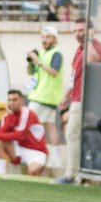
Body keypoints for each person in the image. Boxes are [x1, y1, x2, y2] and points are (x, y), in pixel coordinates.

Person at [56, 18, 101, 184]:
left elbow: (92, 61)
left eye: (81, 30)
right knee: (76, 134)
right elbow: (74, 77)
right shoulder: (79, 50)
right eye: (75, 31)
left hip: (87, 99)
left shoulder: (95, 47)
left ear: (90, 31)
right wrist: (66, 96)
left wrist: (89, 40)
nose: (78, 34)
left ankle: (72, 174)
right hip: (76, 97)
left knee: (72, 133)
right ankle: (80, 175)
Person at [26, 25, 64, 169]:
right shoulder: (41, 53)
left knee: (28, 124)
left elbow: (54, 71)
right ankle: (54, 158)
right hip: (42, 95)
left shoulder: (56, 54)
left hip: (43, 97)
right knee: (50, 126)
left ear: (54, 38)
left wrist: (38, 61)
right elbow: (32, 73)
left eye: (48, 37)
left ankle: (36, 155)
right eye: (43, 37)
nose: (44, 40)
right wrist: (31, 62)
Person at [0, 90, 48, 176]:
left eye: (14, 100)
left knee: (33, 172)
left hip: (36, 151)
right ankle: (1, 175)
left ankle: (41, 163)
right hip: (19, 149)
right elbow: (1, 133)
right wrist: (10, 117)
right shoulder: (7, 116)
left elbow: (19, 135)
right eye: (9, 100)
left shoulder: (27, 113)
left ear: (22, 101)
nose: (11, 103)